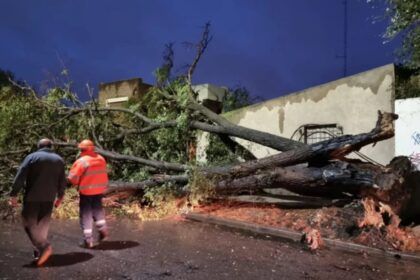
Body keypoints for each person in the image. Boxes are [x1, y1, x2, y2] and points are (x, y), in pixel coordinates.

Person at [9, 138, 66, 266]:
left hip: (32, 196)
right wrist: (60, 196)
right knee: (42, 224)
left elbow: (20, 176)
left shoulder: (32, 157)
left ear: (38, 146)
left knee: (27, 222)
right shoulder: (59, 160)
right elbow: (62, 180)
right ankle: (38, 252)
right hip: (49, 197)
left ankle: (44, 247)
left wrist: (13, 194)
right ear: (51, 146)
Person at [67, 139, 109, 248]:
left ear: (81, 149)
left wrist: (75, 182)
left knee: (86, 215)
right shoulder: (101, 158)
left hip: (86, 191)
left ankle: (88, 240)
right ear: (92, 148)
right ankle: (103, 230)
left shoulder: (81, 161)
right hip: (99, 190)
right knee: (98, 210)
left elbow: (72, 178)